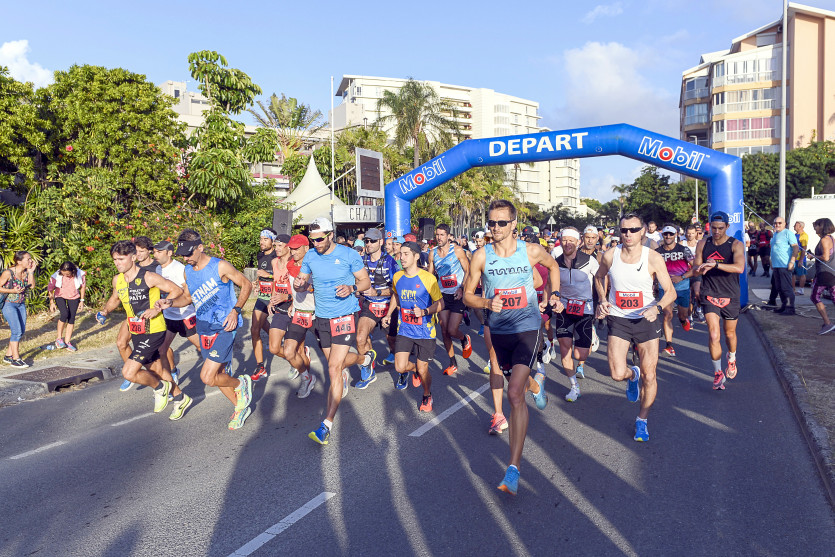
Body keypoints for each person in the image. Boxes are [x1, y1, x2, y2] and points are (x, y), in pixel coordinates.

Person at [463, 199, 561, 496]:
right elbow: (467, 295)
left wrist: (553, 294)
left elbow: (553, 265)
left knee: (513, 393)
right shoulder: (480, 256)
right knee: (518, 384)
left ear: (513, 224)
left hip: (528, 329)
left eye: (501, 223)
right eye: (491, 223)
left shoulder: (530, 251)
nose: (495, 228)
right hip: (500, 331)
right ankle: (537, 383)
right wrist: (484, 302)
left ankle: (514, 467)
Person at [595, 213, 676, 442]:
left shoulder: (653, 258)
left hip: (646, 319)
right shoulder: (610, 255)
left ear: (643, 231)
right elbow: (598, 278)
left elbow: (671, 292)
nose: (628, 234)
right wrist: (602, 299)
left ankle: (642, 420)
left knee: (650, 375)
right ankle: (633, 375)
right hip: (619, 318)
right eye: (623, 230)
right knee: (617, 373)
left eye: (633, 230)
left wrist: (657, 308)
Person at [166, 230, 254, 429]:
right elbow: (188, 298)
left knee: (207, 376)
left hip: (224, 326)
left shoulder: (220, 266)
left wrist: (235, 310)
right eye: (183, 255)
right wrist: (169, 302)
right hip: (203, 327)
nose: (186, 258)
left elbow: (246, 284)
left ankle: (241, 384)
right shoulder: (188, 270)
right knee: (218, 374)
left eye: (189, 254)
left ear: (200, 247)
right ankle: (240, 408)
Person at [296, 217, 373, 445]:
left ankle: (326, 425)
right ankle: (365, 360)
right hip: (322, 319)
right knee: (337, 364)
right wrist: (299, 285)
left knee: (333, 368)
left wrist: (351, 287)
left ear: (330, 234)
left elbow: (366, 282)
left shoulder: (349, 255)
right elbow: (301, 281)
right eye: (313, 239)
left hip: (345, 316)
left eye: (319, 238)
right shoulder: (310, 256)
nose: (316, 243)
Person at [98, 241, 191, 419]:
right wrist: (105, 311)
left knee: (129, 372)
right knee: (158, 370)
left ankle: (160, 388)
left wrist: (158, 308)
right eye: (115, 259)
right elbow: (115, 298)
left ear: (133, 258)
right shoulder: (118, 280)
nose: (117, 263)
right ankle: (180, 397)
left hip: (154, 330)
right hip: (136, 331)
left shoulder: (149, 277)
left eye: (121, 259)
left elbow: (176, 290)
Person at [383, 241, 443, 409]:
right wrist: (388, 314)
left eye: (406, 254)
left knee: (424, 371)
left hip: (425, 331)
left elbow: (440, 304)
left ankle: (426, 394)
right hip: (406, 329)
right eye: (400, 254)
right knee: (400, 367)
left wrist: (424, 312)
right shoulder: (398, 276)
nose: (401, 257)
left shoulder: (428, 278)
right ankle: (416, 370)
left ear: (416, 256)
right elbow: (395, 295)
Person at [693, 212, 746, 390]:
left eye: (720, 228)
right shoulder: (703, 243)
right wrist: (693, 275)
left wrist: (715, 264)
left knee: (729, 334)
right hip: (710, 293)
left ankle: (732, 358)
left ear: (727, 227)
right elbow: (697, 269)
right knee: (714, 334)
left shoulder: (736, 245)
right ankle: (717, 373)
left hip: (730, 294)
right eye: (713, 228)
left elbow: (739, 267)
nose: (716, 231)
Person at [553, 227, 598, 402]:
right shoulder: (556, 263)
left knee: (580, 355)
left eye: (571, 240)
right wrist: (551, 300)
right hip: (564, 308)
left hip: (585, 309)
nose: (568, 244)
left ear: (578, 242)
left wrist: (601, 300)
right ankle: (574, 387)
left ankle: (591, 334)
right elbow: (551, 284)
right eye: (564, 240)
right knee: (565, 349)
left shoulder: (590, 261)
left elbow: (601, 279)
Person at [353, 227, 398, 389]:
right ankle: (368, 370)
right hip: (369, 305)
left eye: (372, 241)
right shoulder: (362, 260)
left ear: (380, 242)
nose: (369, 244)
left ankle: (397, 357)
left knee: (392, 341)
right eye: (367, 241)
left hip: (388, 306)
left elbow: (396, 289)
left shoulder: (390, 262)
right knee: (360, 338)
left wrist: (377, 291)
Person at [428, 224, 473, 376]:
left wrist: (462, 288)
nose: (439, 238)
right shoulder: (432, 253)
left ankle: (464, 338)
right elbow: (430, 276)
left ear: (448, 236)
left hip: (457, 294)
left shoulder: (457, 250)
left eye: (441, 235)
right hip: (443, 296)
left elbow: (468, 271)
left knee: (453, 330)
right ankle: (452, 362)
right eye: (437, 235)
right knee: (444, 330)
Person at [152, 241, 201, 382]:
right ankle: (173, 371)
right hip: (169, 317)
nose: (156, 255)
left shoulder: (179, 268)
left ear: (169, 253)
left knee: (200, 346)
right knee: (162, 349)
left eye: (159, 252)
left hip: (185, 315)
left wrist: (169, 301)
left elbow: (186, 291)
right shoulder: (158, 270)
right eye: (154, 252)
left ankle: (221, 364)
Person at [117, 236, 157, 391]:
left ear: (149, 251)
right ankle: (133, 373)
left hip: (153, 315)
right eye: (136, 251)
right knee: (121, 342)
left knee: (162, 348)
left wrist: (158, 307)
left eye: (142, 251)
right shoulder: (132, 268)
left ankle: (171, 373)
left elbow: (170, 288)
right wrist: (105, 310)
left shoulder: (155, 268)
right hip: (133, 315)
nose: (138, 254)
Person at [284, 234, 316, 397]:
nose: (293, 251)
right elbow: (292, 289)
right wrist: (292, 303)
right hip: (298, 314)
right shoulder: (290, 265)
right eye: (291, 247)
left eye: (297, 248)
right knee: (289, 351)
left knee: (332, 357)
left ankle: (341, 375)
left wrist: (309, 288)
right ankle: (307, 378)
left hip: (318, 314)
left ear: (306, 248)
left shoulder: (315, 264)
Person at [656, 225, 695, 356]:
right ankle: (669, 345)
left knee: (681, 315)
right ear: (662, 235)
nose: (668, 236)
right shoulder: (657, 252)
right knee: (667, 315)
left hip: (682, 287)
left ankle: (684, 321)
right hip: (665, 288)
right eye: (665, 234)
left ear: (676, 235)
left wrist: (682, 277)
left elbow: (695, 267)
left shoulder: (684, 250)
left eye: (670, 234)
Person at [263, 234, 293, 381]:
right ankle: (293, 360)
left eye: (280, 245)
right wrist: (271, 301)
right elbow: (276, 282)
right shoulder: (274, 262)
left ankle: (305, 373)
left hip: (294, 307)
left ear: (288, 246)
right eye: (275, 245)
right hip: (280, 308)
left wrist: (287, 297)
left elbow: (302, 289)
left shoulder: (295, 263)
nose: (277, 248)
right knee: (274, 348)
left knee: (294, 349)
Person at [250, 229, 279, 381]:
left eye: (265, 239)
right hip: (262, 297)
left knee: (259, 326)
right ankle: (260, 366)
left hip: (275, 297)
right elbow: (262, 275)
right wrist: (258, 284)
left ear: (272, 241)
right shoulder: (260, 255)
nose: (262, 242)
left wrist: (269, 276)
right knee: (255, 329)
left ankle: (290, 345)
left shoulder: (278, 256)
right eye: (260, 239)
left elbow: (282, 276)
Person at [1, 251, 37, 367]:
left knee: (21, 331)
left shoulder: (26, 272)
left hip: (21, 304)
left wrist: (31, 272)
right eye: (28, 259)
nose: (31, 261)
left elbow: (32, 286)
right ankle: (16, 359)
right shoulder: (8, 273)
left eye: (31, 259)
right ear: (19, 261)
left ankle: (8, 356)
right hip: (9, 304)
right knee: (16, 331)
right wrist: (12, 291)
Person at [47, 261, 86, 351]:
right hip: (60, 295)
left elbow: (82, 287)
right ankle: (59, 339)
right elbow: (50, 289)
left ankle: (67, 342)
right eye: (63, 274)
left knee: (71, 318)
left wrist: (82, 301)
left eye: (68, 274)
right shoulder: (56, 275)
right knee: (64, 314)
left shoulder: (80, 274)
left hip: (74, 296)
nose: (65, 275)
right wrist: (51, 302)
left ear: (73, 271)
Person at [765, 217, 799, 315]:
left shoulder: (788, 233)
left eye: (780, 223)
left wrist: (792, 262)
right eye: (775, 223)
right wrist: (771, 263)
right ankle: (784, 306)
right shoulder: (775, 234)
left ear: (785, 224)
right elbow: (773, 249)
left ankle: (790, 308)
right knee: (779, 287)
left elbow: (796, 247)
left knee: (786, 288)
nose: (777, 225)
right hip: (776, 265)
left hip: (785, 265)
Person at [808, 218, 835, 335]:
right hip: (831, 272)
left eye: (816, 225)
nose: (814, 228)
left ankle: (828, 323)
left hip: (824, 273)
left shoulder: (824, 240)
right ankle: (828, 324)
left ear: (822, 226)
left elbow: (826, 257)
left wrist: (813, 256)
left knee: (815, 296)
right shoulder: (831, 239)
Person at [793, 221, 809, 295]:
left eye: (795, 225)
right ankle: (793, 289)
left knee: (802, 274)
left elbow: (804, 248)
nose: (793, 226)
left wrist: (801, 260)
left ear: (800, 227)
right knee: (792, 274)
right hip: (793, 258)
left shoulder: (804, 235)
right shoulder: (795, 235)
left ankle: (801, 290)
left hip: (800, 258)